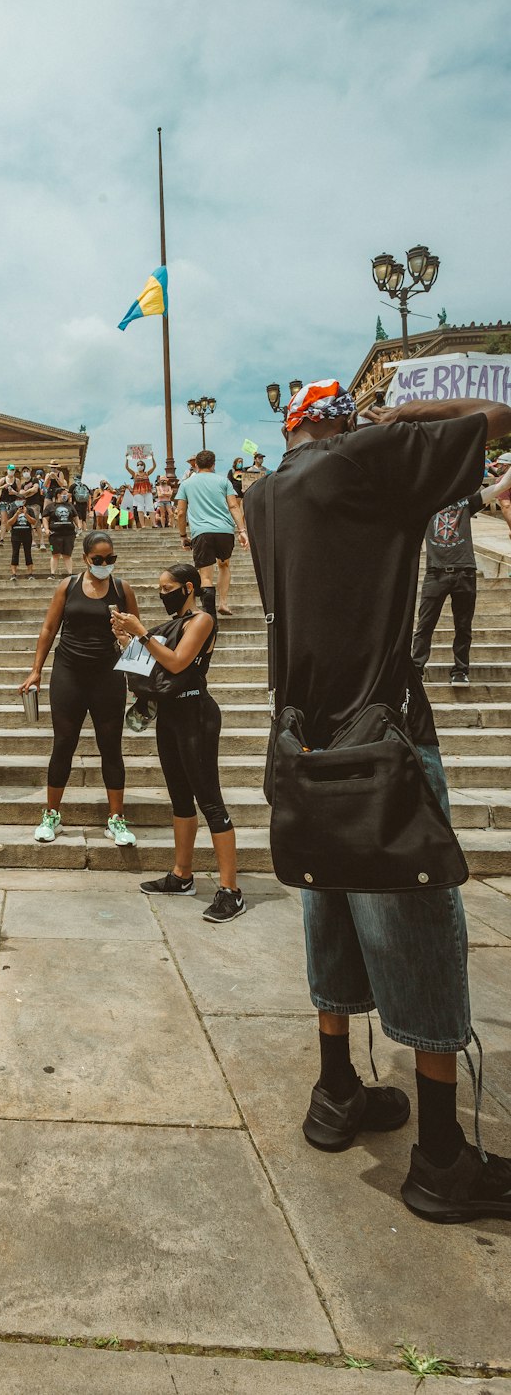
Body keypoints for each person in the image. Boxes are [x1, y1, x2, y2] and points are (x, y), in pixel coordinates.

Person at [246, 378, 511, 1222]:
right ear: (344, 421)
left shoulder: (263, 495)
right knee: (423, 923)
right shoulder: (371, 455)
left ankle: (336, 1093)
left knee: (327, 904)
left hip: (301, 738)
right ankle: (440, 1157)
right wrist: (402, 416)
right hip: (382, 729)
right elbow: (499, 420)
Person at [111, 562, 245, 923]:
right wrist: (126, 639)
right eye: (159, 588)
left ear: (188, 587)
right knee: (180, 799)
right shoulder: (163, 628)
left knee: (210, 801)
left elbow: (177, 662)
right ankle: (182, 874)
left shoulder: (201, 621)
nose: (162, 594)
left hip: (196, 715)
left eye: (168, 588)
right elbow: (144, 669)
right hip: (169, 715)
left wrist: (140, 633)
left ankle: (231, 890)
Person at [20, 532, 140, 848]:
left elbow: (138, 635)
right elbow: (49, 628)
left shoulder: (122, 589)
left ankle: (116, 819)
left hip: (108, 674)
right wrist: (36, 670)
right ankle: (52, 815)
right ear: (86, 557)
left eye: (110, 559)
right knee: (64, 743)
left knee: (111, 745)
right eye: (98, 560)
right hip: (68, 672)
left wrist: (126, 638)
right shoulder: (68, 586)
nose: (105, 564)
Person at [411, 461, 511, 688]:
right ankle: (416, 669)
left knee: (463, 626)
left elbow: (502, 485)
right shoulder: (423, 506)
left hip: (464, 571)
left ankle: (460, 671)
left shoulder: (465, 503)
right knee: (425, 625)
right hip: (435, 573)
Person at [174, 449, 249, 617]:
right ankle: (223, 603)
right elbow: (234, 506)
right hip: (224, 530)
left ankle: (210, 616)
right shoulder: (224, 481)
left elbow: (180, 512)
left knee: (206, 576)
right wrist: (242, 530)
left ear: (196, 465)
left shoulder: (186, 484)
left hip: (202, 532)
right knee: (224, 565)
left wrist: (183, 536)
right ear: (213, 464)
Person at [42, 485, 78, 578]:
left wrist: (79, 527)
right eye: (64, 494)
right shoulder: (50, 506)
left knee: (67, 555)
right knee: (55, 554)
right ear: (58, 495)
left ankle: (70, 573)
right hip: (55, 534)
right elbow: (45, 518)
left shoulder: (70, 506)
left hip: (69, 534)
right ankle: (52, 573)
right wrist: (46, 529)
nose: (66, 496)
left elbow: (75, 517)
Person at [2, 497, 36, 583]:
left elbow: (33, 522)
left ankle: (30, 573)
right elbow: (9, 523)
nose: (19, 502)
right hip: (16, 535)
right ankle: (14, 574)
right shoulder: (13, 510)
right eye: (17, 500)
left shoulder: (30, 510)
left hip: (27, 534)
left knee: (28, 554)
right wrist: (17, 514)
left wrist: (26, 514)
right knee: (15, 553)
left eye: (21, 500)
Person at [125, 454, 157, 528]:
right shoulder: (135, 474)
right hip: (138, 492)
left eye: (141, 464)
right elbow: (127, 467)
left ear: (143, 466)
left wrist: (152, 457)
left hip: (147, 491)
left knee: (151, 507)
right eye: (138, 464)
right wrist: (127, 458)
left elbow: (154, 466)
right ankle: (143, 525)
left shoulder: (147, 473)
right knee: (140, 507)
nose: (139, 466)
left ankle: (154, 524)